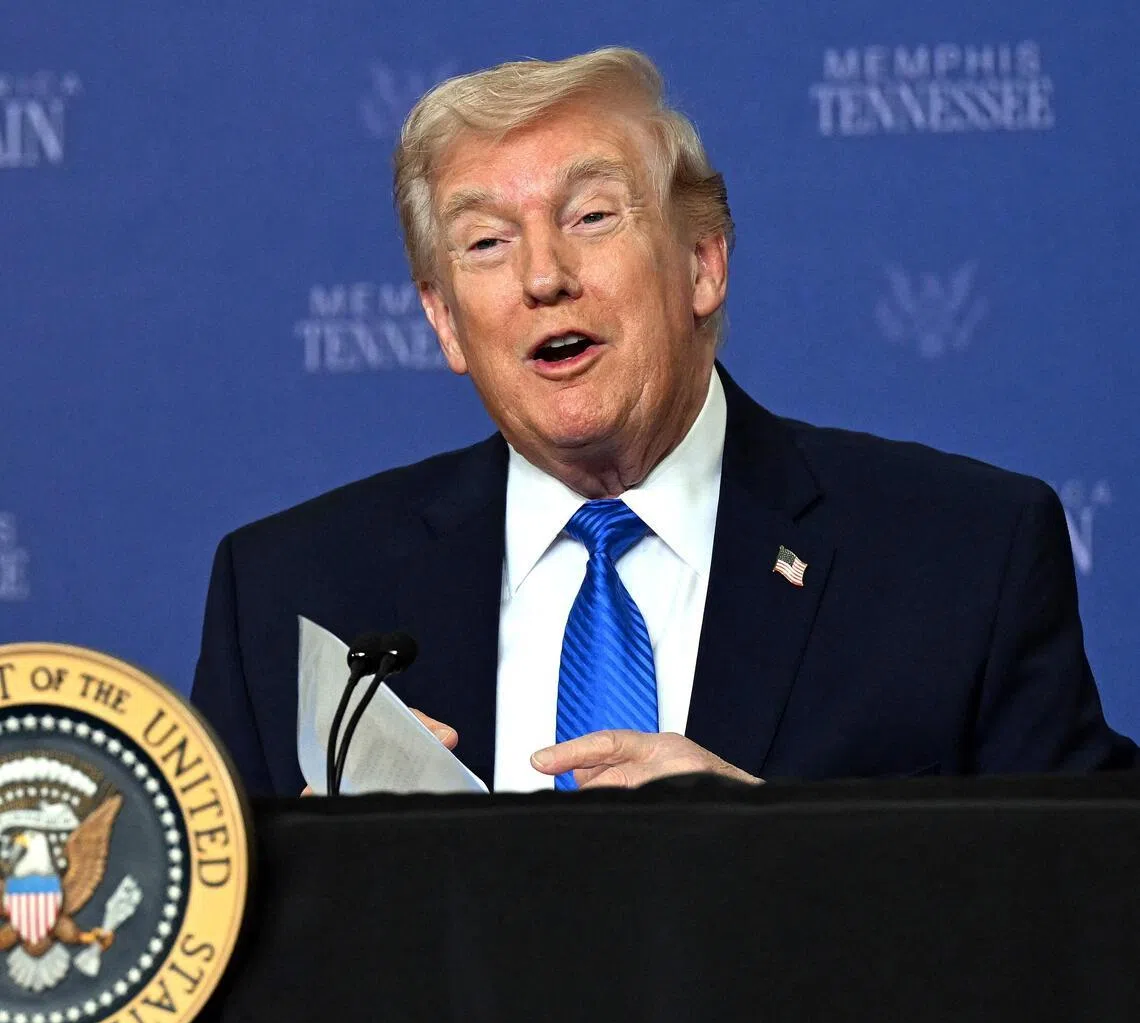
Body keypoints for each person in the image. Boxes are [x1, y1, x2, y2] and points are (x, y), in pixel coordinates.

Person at [191, 48, 1136, 797]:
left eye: (592, 217)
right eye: (486, 242)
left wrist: (784, 852)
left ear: (702, 263)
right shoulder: (291, 592)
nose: (542, 276)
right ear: (443, 320)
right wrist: (317, 877)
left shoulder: (959, 556)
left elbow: (1083, 896)